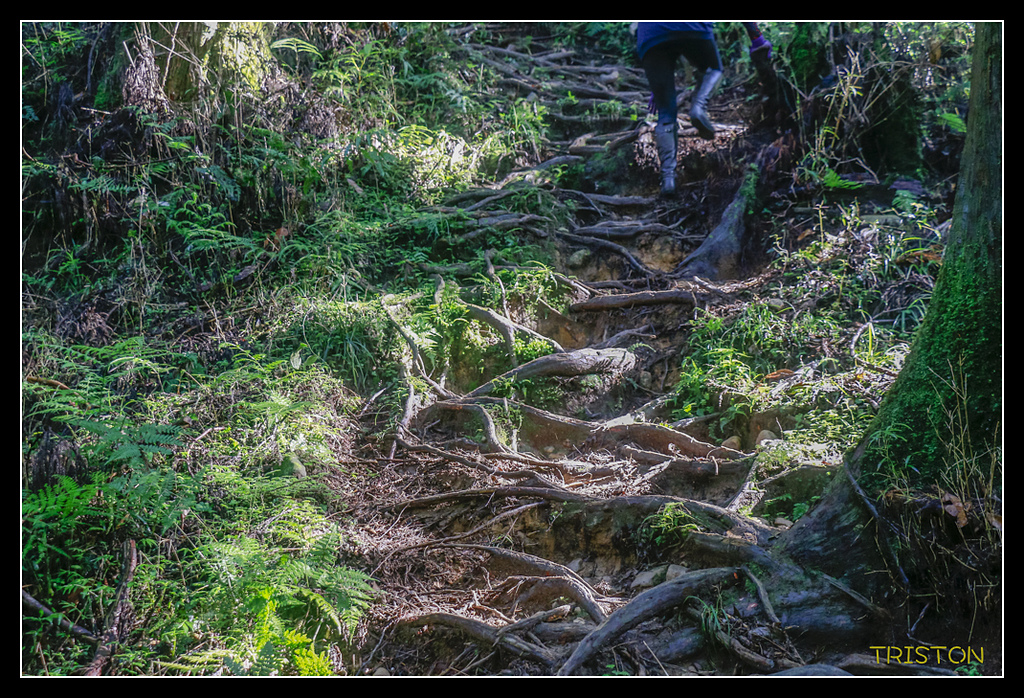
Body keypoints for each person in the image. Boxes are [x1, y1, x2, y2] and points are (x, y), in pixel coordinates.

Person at [637, 22, 772, 195]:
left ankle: (668, 180)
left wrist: (658, 88)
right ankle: (698, 108)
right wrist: (757, 38)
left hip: (650, 34)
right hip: (692, 27)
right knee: (714, 68)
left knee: (665, 112)